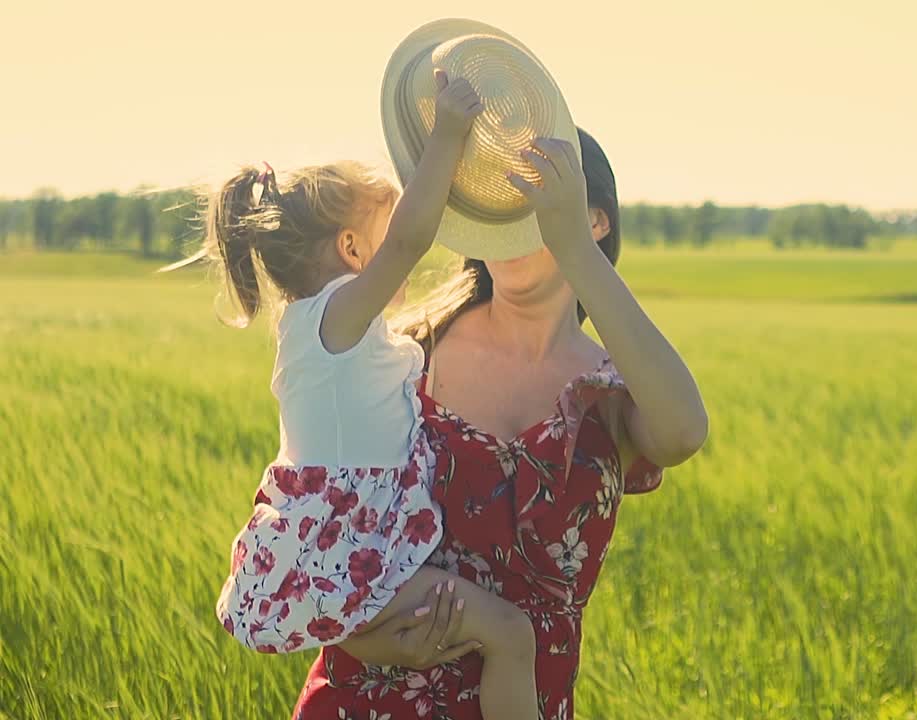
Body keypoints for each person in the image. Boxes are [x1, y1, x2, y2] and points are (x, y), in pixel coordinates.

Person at [290, 128, 708, 719]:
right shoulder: (405, 353)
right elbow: (311, 521)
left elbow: (685, 433)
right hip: (366, 698)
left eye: (532, 209)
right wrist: (364, 635)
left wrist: (575, 252)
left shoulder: (615, 392)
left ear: (595, 221)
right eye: (494, 208)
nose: (508, 229)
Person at [210, 72, 537, 720]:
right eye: (387, 232)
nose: (406, 255)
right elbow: (412, 236)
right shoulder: (337, 313)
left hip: (347, 553)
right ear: (354, 249)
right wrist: (447, 134)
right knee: (513, 635)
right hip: (355, 553)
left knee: (433, 638)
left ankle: (372, 636)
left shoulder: (320, 331)